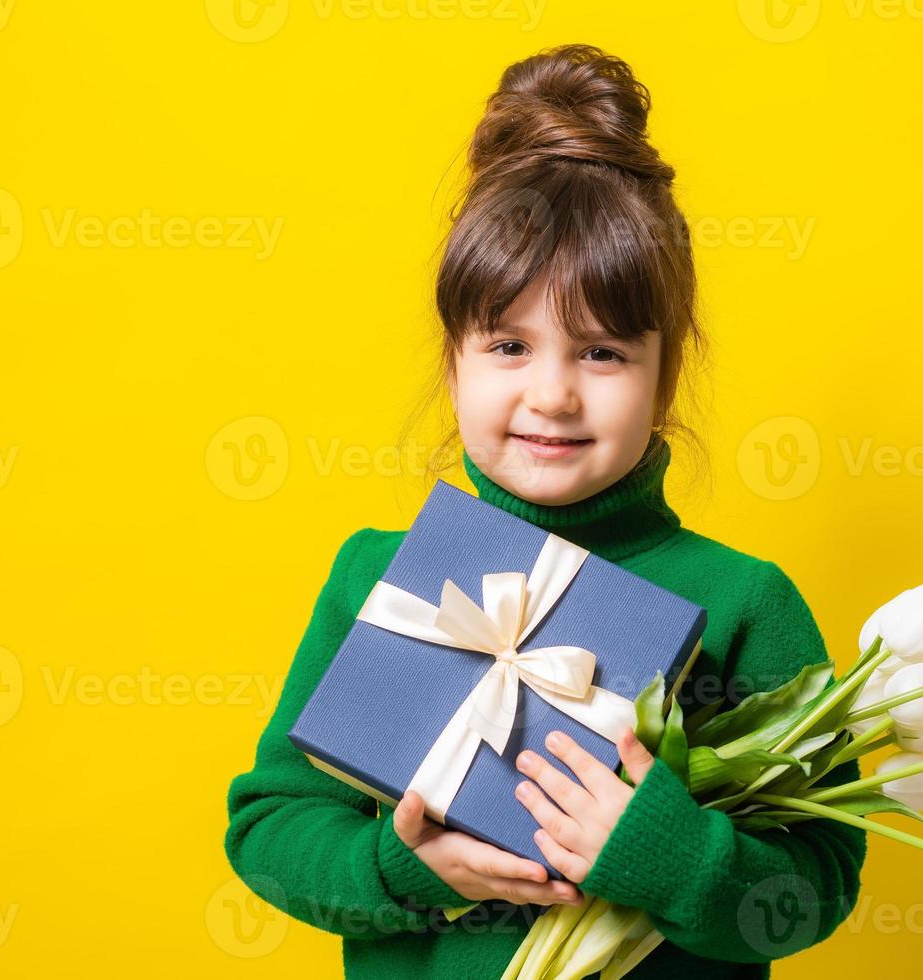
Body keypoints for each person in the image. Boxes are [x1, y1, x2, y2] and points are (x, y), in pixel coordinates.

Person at [225, 42, 867, 979]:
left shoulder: (744, 604)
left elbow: (813, 893)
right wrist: (400, 870)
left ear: (664, 372)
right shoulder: (376, 577)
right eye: (509, 346)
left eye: (603, 353)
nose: (554, 396)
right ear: (453, 361)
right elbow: (268, 829)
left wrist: (673, 856)